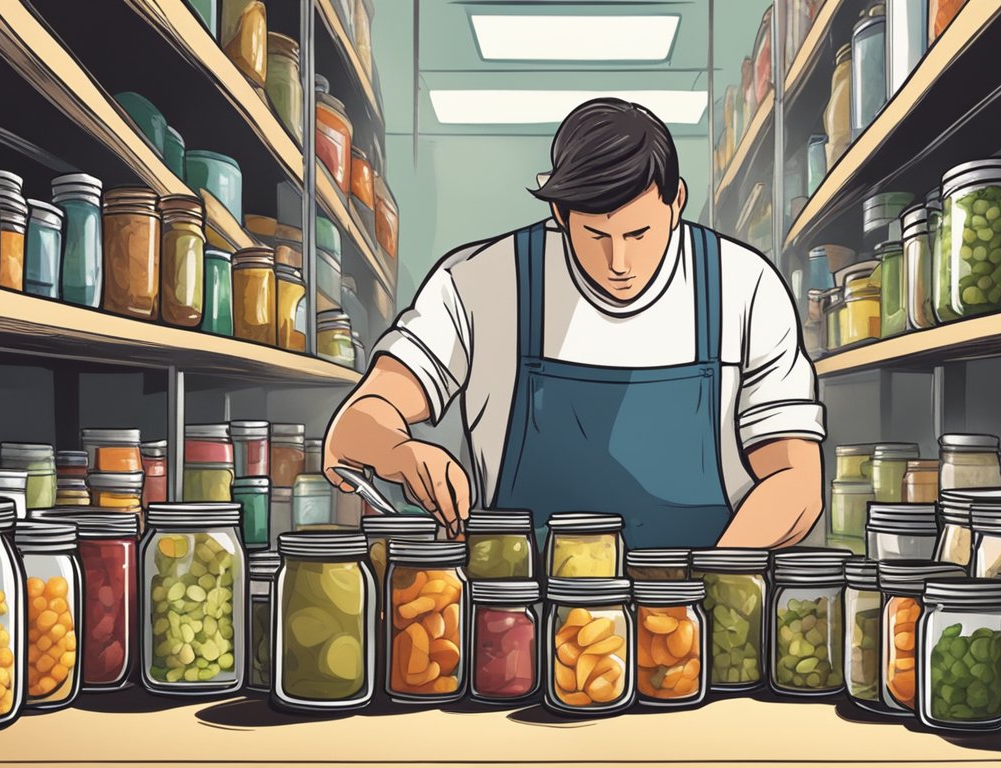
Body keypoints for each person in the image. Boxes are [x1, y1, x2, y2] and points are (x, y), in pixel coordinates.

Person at [322, 97, 826, 549]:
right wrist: (400, 450)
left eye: (639, 232)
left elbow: (796, 481)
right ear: (562, 215)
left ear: (676, 203)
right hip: (521, 618)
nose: (620, 262)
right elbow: (356, 423)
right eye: (597, 236)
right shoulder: (482, 282)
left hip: (692, 613)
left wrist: (695, 588)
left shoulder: (743, 286)